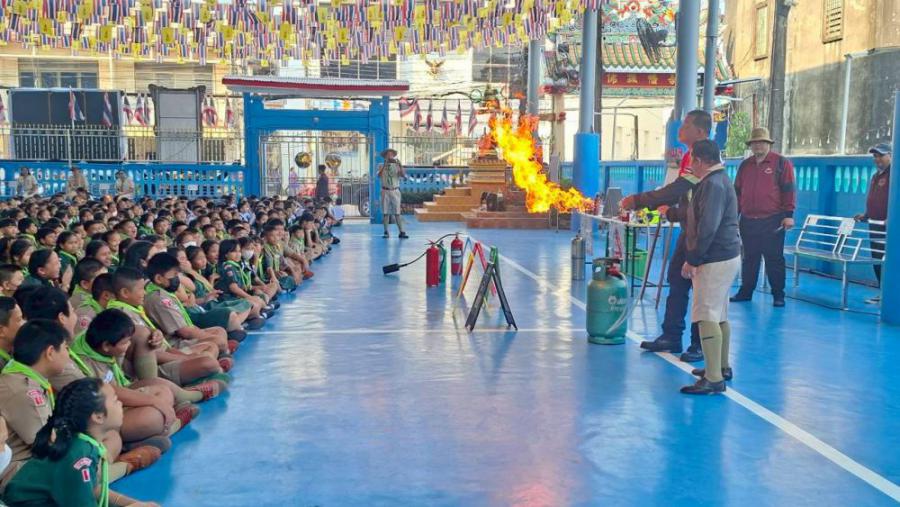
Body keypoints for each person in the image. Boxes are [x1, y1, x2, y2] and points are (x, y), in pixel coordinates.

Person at [618, 109, 712, 362]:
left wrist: (638, 200)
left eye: (686, 125)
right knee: (676, 280)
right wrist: (670, 210)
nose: (680, 128)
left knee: (701, 290)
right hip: (688, 228)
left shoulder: (703, 158)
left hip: (703, 233)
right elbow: (681, 193)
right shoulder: (689, 155)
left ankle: (700, 344)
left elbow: (679, 188)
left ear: (700, 131)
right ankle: (671, 335)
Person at [3, 377, 160, 507]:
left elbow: (92, 488)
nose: (120, 403)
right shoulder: (79, 456)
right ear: (98, 416)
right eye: (115, 400)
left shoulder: (82, 443)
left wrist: (133, 503)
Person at [675, 140, 742, 395]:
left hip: (714, 258)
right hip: (728, 255)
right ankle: (721, 366)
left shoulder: (712, 185)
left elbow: (708, 227)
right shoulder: (721, 180)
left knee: (705, 315)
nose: (691, 165)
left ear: (700, 161)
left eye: (692, 160)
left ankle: (713, 379)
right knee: (720, 313)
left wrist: (693, 259)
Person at [730, 127, 796, 307]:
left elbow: (788, 190)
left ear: (769, 144)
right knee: (749, 258)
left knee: (774, 258)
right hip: (748, 220)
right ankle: (746, 292)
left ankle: (778, 295)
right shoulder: (745, 165)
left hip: (772, 220)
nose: (758, 145)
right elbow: (737, 192)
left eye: (762, 142)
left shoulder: (781, 163)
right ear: (751, 145)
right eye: (755, 143)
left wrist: (788, 215)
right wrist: (733, 216)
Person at [854, 142, 892, 304]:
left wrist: (893, 218)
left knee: (888, 260)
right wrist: (866, 215)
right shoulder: (876, 176)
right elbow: (875, 199)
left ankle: (890, 294)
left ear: (891, 155)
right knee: (877, 259)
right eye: (875, 156)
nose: (877, 159)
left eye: (881, 155)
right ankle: (882, 292)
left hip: (889, 227)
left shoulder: (895, 174)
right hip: (874, 224)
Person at [377, 148, 408, 239]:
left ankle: (401, 231)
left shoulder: (397, 165)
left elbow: (403, 175)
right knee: (385, 212)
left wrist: (400, 166)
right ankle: (386, 231)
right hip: (385, 191)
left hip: (395, 190)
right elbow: (379, 175)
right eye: (388, 154)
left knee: (397, 212)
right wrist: (385, 165)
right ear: (385, 156)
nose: (389, 156)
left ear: (394, 156)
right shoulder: (381, 165)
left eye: (391, 154)